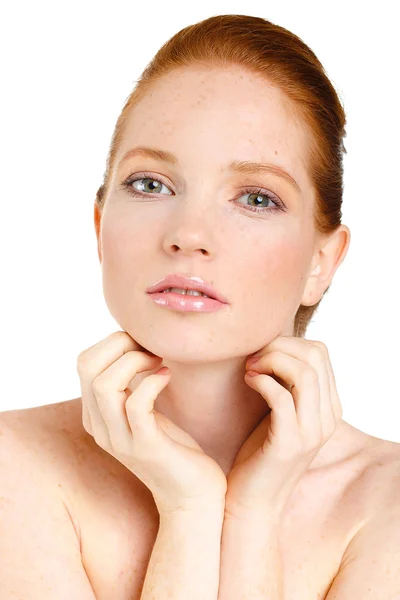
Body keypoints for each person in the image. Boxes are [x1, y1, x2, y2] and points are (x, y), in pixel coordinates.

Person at [1, 13, 399, 600]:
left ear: (323, 261)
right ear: (99, 225)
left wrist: (252, 513)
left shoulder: (387, 502)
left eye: (257, 197)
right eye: (151, 184)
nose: (189, 234)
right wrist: (190, 507)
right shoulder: (13, 467)